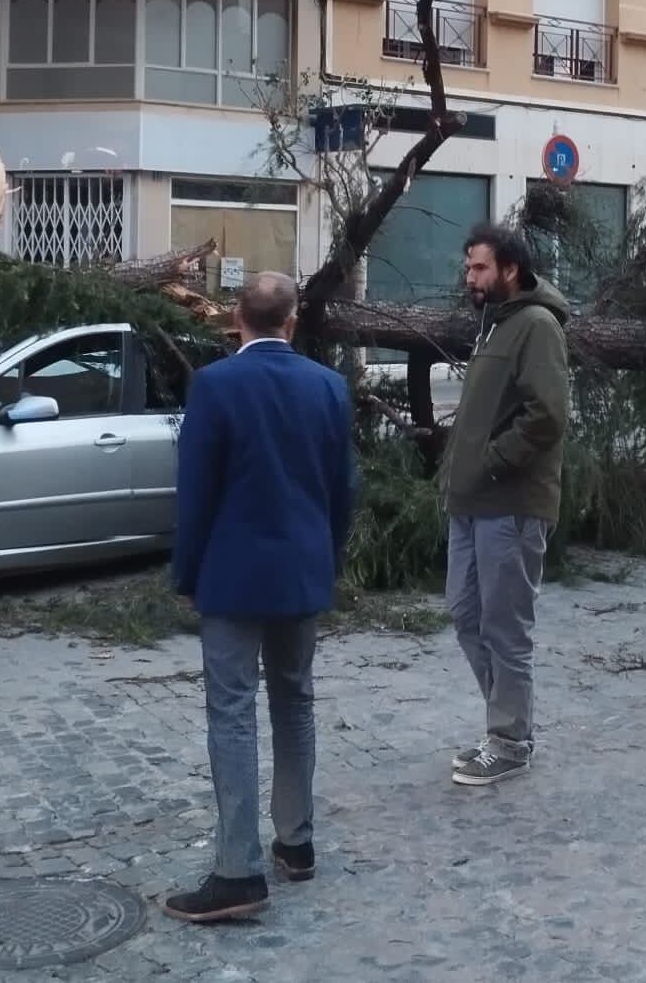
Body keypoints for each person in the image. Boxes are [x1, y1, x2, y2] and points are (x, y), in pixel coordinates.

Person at [164, 272, 355, 925]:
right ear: (292, 323)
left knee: (233, 711)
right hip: (302, 572)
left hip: (233, 577)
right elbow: (342, 491)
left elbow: (196, 494)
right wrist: (326, 560)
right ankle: (296, 842)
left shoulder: (215, 386)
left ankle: (237, 868)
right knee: (295, 699)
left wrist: (187, 575)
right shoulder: (329, 387)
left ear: (237, 320)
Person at [438, 221, 571, 788]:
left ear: (509, 270)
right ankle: (506, 725)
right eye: (468, 267)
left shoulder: (536, 326)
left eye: (480, 268)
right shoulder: (493, 327)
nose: (469, 277)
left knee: (504, 626)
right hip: (471, 502)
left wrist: (492, 460)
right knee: (465, 614)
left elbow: (548, 415)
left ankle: (510, 740)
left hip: (511, 504)